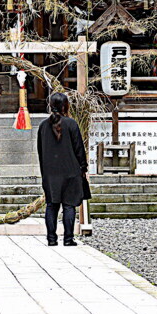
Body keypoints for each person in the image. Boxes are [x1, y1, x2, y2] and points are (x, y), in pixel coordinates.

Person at [37, 91, 89, 246]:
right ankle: (68, 239)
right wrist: (83, 167)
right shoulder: (71, 124)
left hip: (50, 172)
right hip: (71, 171)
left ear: (51, 105)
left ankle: (51, 239)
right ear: (66, 105)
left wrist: (45, 171)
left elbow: (41, 151)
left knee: (51, 206)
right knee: (69, 205)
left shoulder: (43, 126)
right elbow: (79, 149)